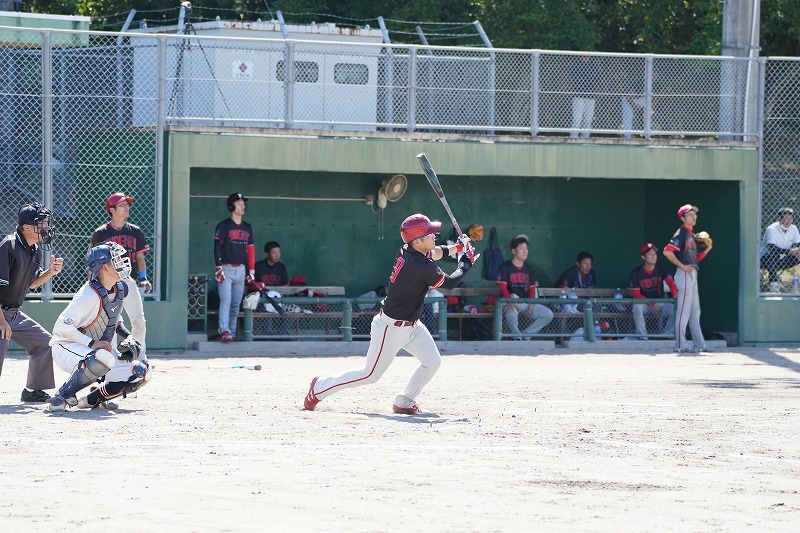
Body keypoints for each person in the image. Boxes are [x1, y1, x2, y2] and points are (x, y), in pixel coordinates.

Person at [303, 213, 477, 415]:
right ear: (418, 241)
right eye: (430, 234)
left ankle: (404, 401)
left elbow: (435, 252)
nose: (434, 236)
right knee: (369, 375)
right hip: (391, 328)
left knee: (432, 362)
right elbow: (450, 283)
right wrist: (466, 262)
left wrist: (458, 247)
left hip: (412, 326)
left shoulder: (409, 250)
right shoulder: (419, 266)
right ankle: (319, 388)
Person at [46, 242, 151, 411]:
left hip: (96, 351)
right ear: (105, 267)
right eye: (116, 260)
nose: (122, 263)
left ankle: (91, 400)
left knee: (141, 371)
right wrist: (92, 343)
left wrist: (129, 336)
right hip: (67, 347)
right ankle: (62, 396)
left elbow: (114, 320)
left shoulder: (119, 289)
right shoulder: (88, 294)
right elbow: (61, 326)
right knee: (101, 358)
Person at [0, 203, 62, 403]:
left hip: (13, 313)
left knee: (44, 343)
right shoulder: (8, 246)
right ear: (27, 227)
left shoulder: (34, 248)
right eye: (42, 223)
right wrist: (2, 321)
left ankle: (33, 391)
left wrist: (50, 272)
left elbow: (32, 283)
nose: (46, 227)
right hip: (1, 314)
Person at [663, 204, 713, 353]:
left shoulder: (691, 234)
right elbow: (667, 251)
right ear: (683, 218)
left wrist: (707, 249)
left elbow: (694, 260)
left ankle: (699, 344)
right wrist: (682, 266)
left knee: (695, 312)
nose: (694, 216)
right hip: (683, 273)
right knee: (683, 311)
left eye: (694, 214)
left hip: (692, 272)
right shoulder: (681, 233)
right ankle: (680, 345)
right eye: (690, 214)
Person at [213, 193, 255, 342]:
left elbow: (250, 250)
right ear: (231, 206)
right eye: (239, 203)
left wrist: (251, 271)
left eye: (243, 203)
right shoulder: (224, 225)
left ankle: (231, 331)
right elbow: (217, 247)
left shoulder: (247, 227)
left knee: (236, 303)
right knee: (226, 300)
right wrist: (218, 267)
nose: (243, 206)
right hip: (226, 268)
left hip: (241, 269)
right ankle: (224, 330)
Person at [91, 192, 152, 293]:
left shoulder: (135, 231)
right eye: (121, 205)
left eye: (127, 204)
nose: (126, 207)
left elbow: (140, 257)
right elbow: (93, 260)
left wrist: (143, 278)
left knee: (135, 304)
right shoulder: (101, 233)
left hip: (130, 281)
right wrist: (92, 281)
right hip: (108, 283)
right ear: (112, 210)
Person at [495, 234, 553, 338]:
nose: (525, 251)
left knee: (548, 314)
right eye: (521, 249)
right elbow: (502, 287)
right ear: (514, 251)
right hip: (507, 302)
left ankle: (526, 335)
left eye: (526, 249)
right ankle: (517, 337)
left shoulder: (529, 269)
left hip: (524, 303)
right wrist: (510, 301)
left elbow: (532, 289)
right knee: (511, 313)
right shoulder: (504, 267)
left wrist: (531, 303)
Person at [627, 243, 678, 339]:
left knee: (675, 309)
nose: (653, 257)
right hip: (644, 303)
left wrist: (675, 295)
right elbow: (636, 294)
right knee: (637, 308)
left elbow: (671, 283)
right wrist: (652, 304)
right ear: (643, 257)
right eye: (650, 254)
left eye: (654, 254)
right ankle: (642, 336)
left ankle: (666, 336)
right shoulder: (636, 273)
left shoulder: (661, 268)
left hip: (660, 303)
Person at [760, 207, 800, 292]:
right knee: (774, 256)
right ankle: (773, 284)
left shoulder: (793, 228)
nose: (788, 222)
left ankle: (797, 282)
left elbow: (798, 244)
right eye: (786, 219)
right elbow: (772, 249)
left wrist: (797, 250)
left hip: (783, 259)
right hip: (765, 259)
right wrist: (790, 251)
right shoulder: (771, 229)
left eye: (790, 219)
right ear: (779, 219)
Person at [570, 55, 601, 138]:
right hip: (578, 95)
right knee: (577, 119)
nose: (586, 56)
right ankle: (573, 139)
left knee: (588, 120)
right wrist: (585, 83)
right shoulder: (576, 63)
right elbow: (575, 77)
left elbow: (597, 77)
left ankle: (585, 139)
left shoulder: (594, 64)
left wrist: (588, 83)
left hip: (590, 95)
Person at [621, 69, 656, 139]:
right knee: (628, 116)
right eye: (652, 74)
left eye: (655, 75)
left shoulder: (655, 83)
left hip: (640, 99)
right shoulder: (641, 82)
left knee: (648, 113)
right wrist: (634, 106)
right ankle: (627, 138)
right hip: (628, 99)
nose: (654, 77)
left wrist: (651, 109)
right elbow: (629, 95)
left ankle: (646, 135)